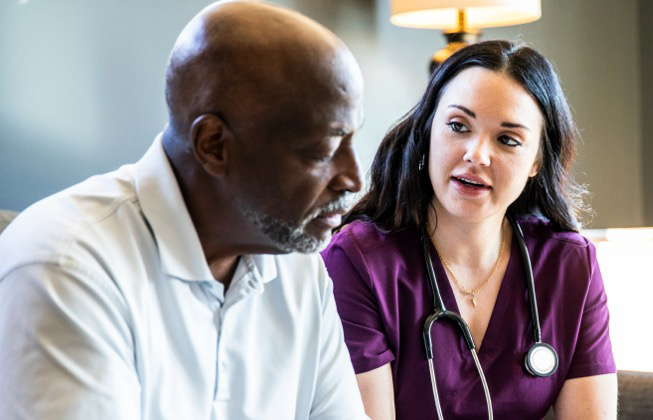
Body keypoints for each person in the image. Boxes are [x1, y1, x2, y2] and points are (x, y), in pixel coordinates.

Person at [0, 1, 368, 419]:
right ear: (213, 145)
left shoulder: (300, 269)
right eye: (323, 151)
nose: (353, 179)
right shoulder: (65, 266)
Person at [322, 40, 618, 419]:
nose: (476, 154)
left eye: (507, 139)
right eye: (458, 126)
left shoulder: (570, 265)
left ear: (536, 162)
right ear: (428, 130)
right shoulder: (359, 262)